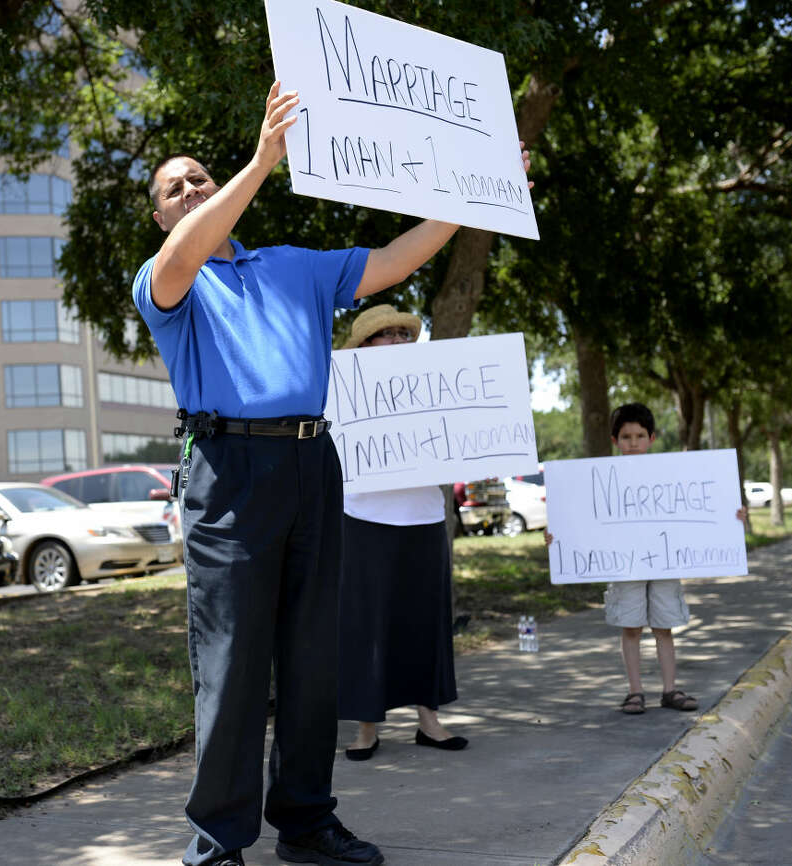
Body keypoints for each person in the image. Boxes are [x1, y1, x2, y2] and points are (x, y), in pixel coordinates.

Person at [132, 81, 530, 866]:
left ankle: (307, 825)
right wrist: (259, 162)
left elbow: (393, 259)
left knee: (314, 659)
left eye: (197, 180)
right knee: (234, 663)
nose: (188, 191)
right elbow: (184, 254)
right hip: (229, 472)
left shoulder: (295, 267)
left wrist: (478, 196)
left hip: (315, 463)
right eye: (172, 189)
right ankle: (218, 839)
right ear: (160, 215)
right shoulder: (164, 278)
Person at [545, 402, 746, 715]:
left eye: (639, 435)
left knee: (664, 626)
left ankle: (669, 689)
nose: (633, 442)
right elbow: (580, 518)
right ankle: (635, 691)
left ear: (652, 438)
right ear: (615, 441)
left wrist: (731, 517)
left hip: (665, 562)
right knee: (631, 626)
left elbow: (703, 505)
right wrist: (557, 536)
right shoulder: (599, 478)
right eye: (626, 437)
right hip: (625, 564)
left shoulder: (671, 475)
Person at [336, 304, 467, 761]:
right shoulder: (341, 390)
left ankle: (428, 719)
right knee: (367, 622)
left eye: (402, 333)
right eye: (385, 334)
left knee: (425, 620)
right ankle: (366, 726)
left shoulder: (432, 386)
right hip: (364, 518)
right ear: (363, 346)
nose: (397, 340)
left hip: (424, 517)